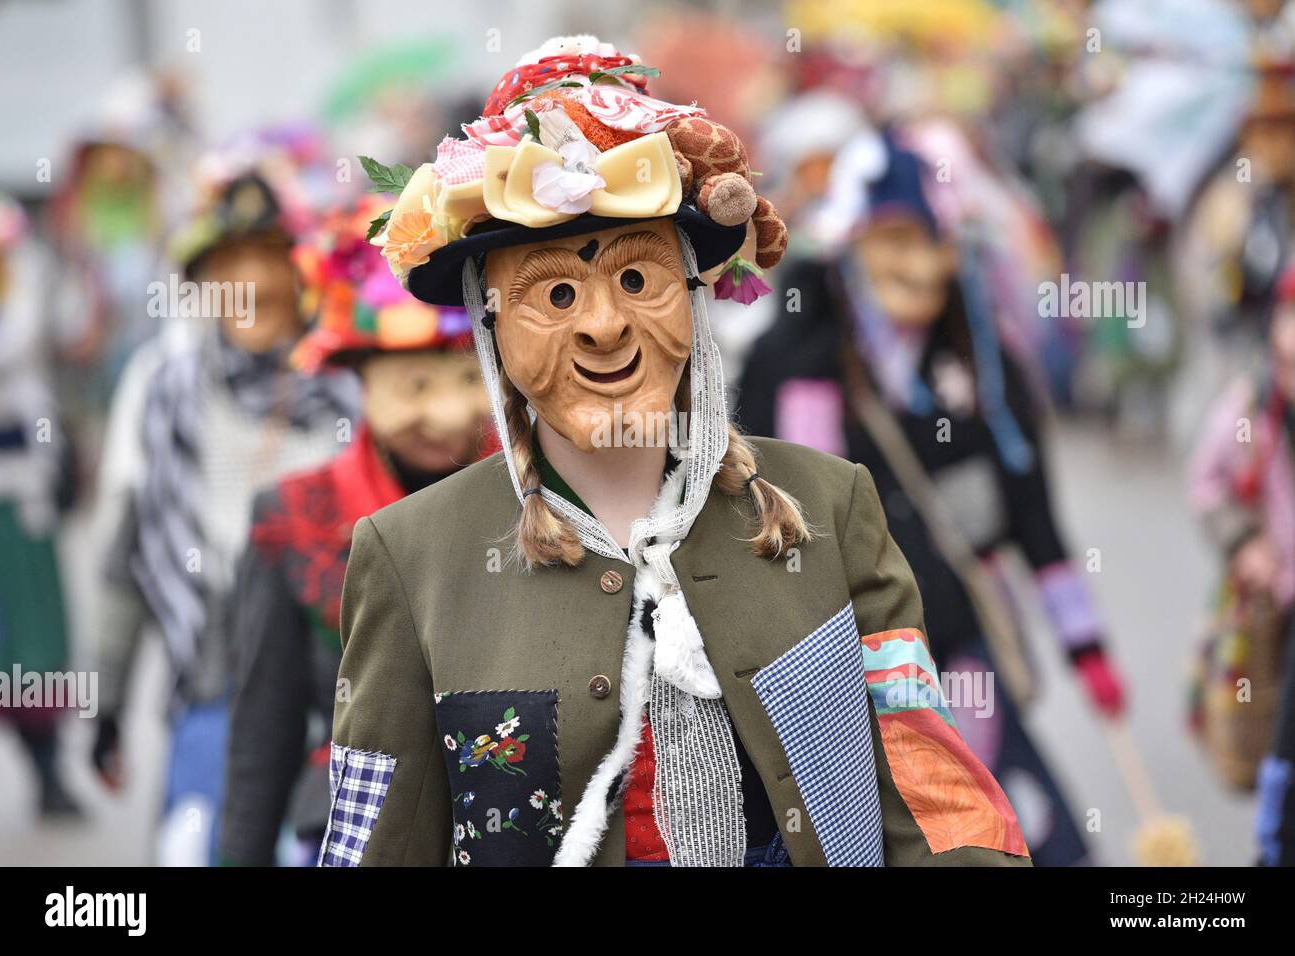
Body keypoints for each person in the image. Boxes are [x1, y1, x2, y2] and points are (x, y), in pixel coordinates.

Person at [317, 35, 1029, 868]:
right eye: (554, 292)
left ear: (696, 299)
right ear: (491, 329)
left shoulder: (829, 508)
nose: (604, 325)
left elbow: (933, 799)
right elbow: (375, 847)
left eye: (636, 280)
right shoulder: (411, 558)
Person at [740, 137, 1125, 866]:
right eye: (895, 239)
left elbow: (1034, 517)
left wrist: (1087, 647)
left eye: (936, 241)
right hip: (831, 661)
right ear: (849, 244)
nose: (921, 264)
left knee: (987, 833)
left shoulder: (980, 365)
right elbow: (768, 510)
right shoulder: (795, 363)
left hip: (954, 650)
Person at [91, 173, 358, 866]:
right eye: (229, 264)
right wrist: (107, 700)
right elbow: (125, 554)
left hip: (339, 689)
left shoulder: (348, 383)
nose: (254, 284)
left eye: (272, 258)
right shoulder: (161, 391)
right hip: (214, 682)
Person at [218, 200, 492, 866]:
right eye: (415, 386)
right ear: (360, 381)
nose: (450, 414)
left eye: (468, 378)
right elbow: (265, 729)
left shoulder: (544, 503)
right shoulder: (292, 516)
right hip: (348, 825)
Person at [1189, 261, 1295, 866]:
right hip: (1282, 606)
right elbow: (1205, 484)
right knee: (1280, 748)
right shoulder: (1251, 404)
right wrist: (1242, 542)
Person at [0, 194, 80, 817]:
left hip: (19, 511)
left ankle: (49, 775)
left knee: (32, 648)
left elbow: (22, 343)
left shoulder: (17, 314)